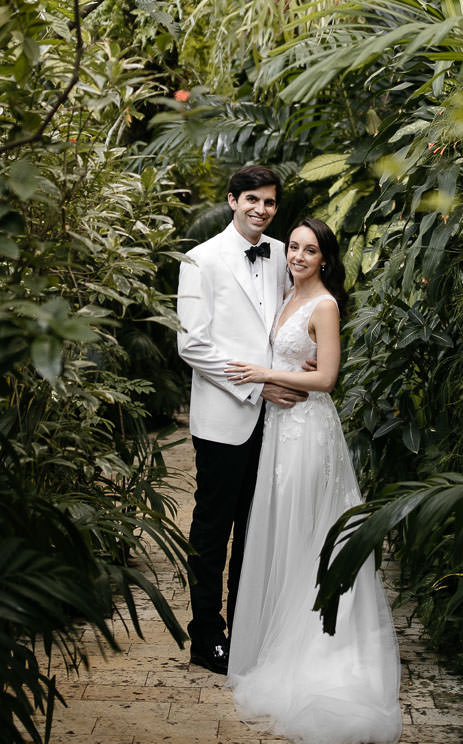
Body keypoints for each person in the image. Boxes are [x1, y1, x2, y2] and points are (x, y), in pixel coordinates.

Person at [224, 217, 402, 744]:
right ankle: (275, 641)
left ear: (326, 258)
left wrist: (263, 376)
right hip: (280, 428)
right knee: (283, 528)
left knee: (308, 529)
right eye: (294, 247)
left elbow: (326, 378)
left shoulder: (323, 305)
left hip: (308, 433)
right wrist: (266, 382)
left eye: (310, 250)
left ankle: (315, 649)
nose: (299, 256)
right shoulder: (285, 296)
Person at [176, 164, 304, 675]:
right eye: (252, 199)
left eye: (270, 202)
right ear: (232, 200)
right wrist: (255, 383)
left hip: (275, 421)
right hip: (225, 417)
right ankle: (206, 638)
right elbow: (192, 344)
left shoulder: (281, 255)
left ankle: (247, 633)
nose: (261, 209)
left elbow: (290, 321)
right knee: (212, 534)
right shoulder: (200, 259)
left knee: (256, 531)